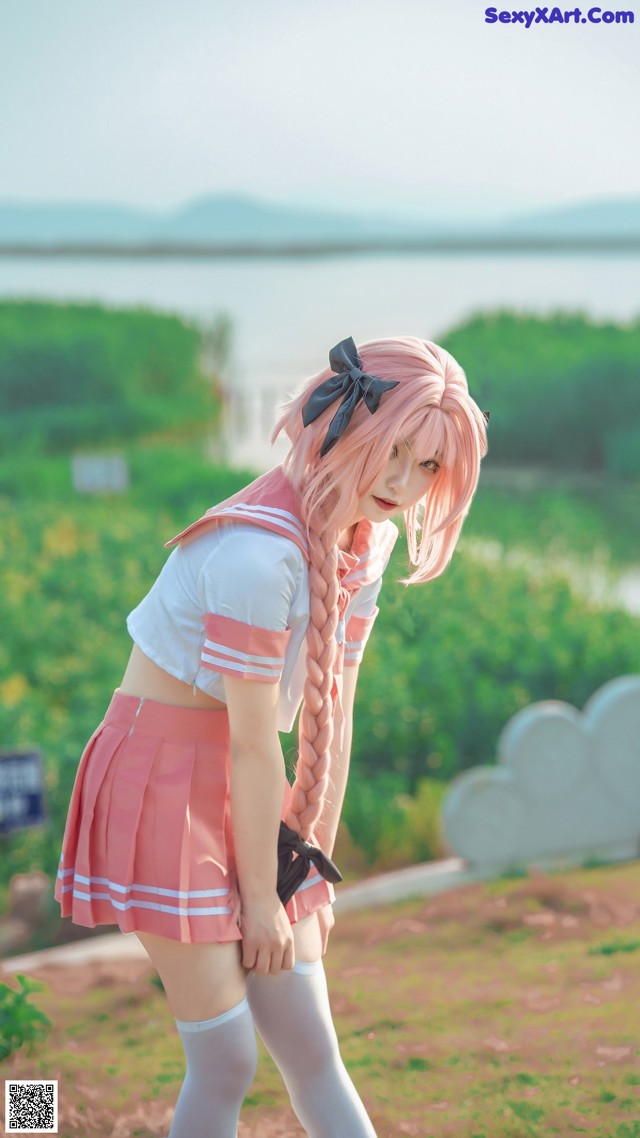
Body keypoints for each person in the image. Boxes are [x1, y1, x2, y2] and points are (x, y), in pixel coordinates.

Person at [54, 335, 487, 1138]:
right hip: (164, 779)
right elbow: (256, 743)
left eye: (428, 468)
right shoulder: (256, 557)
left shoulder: (370, 535)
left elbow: (336, 705)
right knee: (225, 1062)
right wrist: (261, 899)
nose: (404, 484)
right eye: (392, 454)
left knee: (311, 1044)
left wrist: (305, 866)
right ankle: (24, 1112)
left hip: (249, 783)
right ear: (336, 425)